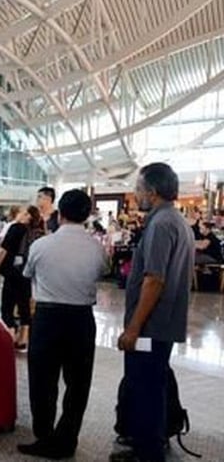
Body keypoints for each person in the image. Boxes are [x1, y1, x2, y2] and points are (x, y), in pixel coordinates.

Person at [111, 163, 194, 462]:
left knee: (144, 387)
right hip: (162, 324)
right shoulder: (176, 220)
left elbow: (154, 279)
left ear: (153, 192)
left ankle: (147, 453)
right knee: (152, 384)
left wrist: (133, 328)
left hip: (150, 326)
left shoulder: (160, 225)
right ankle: (149, 443)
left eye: (138, 190)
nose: (135, 196)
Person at [17, 190, 107, 459]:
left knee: (42, 380)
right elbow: (103, 271)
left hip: (47, 318)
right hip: (81, 320)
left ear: (60, 214)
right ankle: (67, 440)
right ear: (87, 215)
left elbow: (28, 274)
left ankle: (43, 436)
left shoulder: (41, 245)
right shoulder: (96, 247)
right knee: (78, 383)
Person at [0, 205, 45, 351]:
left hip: (12, 272)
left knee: (7, 307)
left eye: (23, 213)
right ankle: (23, 340)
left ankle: (11, 335)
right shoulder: (36, 232)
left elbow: (3, 250)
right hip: (27, 272)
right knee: (24, 305)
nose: (19, 215)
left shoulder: (16, 228)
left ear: (28, 217)